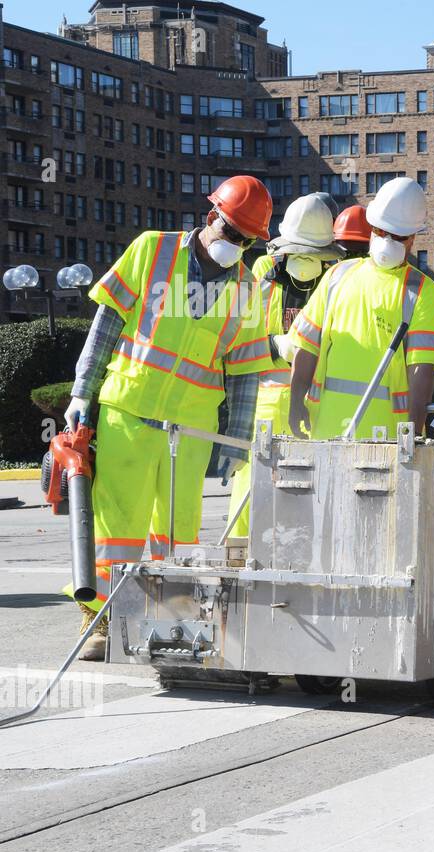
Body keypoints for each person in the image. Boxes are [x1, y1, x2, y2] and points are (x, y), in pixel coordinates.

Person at [63, 175, 277, 659]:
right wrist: (82, 391)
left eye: (247, 240)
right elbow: (106, 326)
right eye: (233, 233)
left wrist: (236, 439)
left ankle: (172, 622)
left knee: (179, 532)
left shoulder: (247, 288)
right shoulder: (151, 251)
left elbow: (244, 371)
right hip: (129, 413)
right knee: (117, 525)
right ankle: (98, 621)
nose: (237, 247)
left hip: (192, 429)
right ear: (210, 219)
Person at [288, 177, 434, 440]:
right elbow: (306, 346)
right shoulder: (338, 275)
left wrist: (412, 434)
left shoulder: (422, 292)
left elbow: (421, 373)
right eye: (381, 231)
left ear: (412, 238)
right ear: (371, 227)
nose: (387, 240)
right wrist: (295, 402)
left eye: (397, 236)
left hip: (386, 439)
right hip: (325, 432)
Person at [225, 193, 342, 537]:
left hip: (316, 401)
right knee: (251, 483)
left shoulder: (336, 277)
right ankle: (241, 551)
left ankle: (298, 553)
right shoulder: (263, 272)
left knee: (308, 489)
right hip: (265, 398)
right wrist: (277, 346)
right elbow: (236, 341)